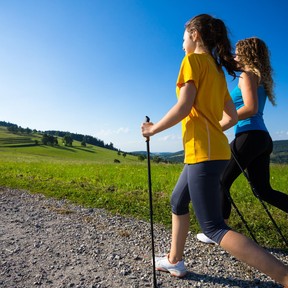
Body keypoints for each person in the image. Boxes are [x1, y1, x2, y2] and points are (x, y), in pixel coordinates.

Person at [141, 14, 288, 287]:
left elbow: (184, 107)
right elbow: (231, 117)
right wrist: (209, 130)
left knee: (214, 227)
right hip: (214, 151)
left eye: (183, 36)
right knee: (177, 200)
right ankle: (175, 260)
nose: (181, 42)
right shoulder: (217, 71)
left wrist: (153, 130)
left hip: (203, 154)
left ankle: (285, 276)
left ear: (195, 34)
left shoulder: (192, 62)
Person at [197, 37, 288, 245]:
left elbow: (250, 108)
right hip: (261, 138)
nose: (235, 56)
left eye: (238, 52)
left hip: (249, 136)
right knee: (263, 191)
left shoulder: (247, 75)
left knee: (220, 179)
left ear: (247, 54)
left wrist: (217, 126)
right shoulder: (259, 76)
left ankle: (218, 230)